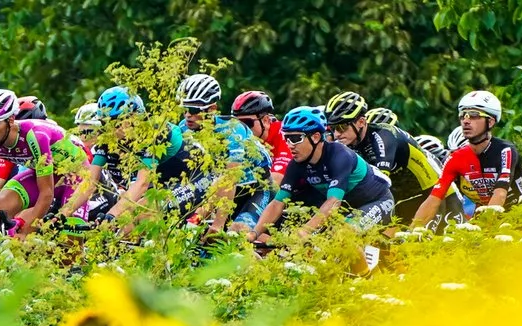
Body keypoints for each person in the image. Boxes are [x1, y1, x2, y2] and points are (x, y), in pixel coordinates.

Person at [255, 105, 393, 239]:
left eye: (296, 138)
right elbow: (277, 203)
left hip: (377, 201)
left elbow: (333, 202)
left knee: (342, 236)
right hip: (347, 207)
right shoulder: (296, 164)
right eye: (286, 138)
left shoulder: (340, 155)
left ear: (315, 137)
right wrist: (254, 233)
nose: (289, 144)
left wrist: (305, 231)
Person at [0, 87, 92, 235]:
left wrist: (30, 226)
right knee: (1, 207)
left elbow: (46, 193)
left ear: (10, 120)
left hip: (77, 175)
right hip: (49, 174)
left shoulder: (35, 136)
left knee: (70, 247)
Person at [92, 85, 201, 221]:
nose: (110, 129)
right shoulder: (110, 137)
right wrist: (62, 214)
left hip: (195, 179)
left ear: (134, 117)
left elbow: (142, 183)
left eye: (116, 123)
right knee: (125, 216)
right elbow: (90, 181)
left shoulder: (153, 132)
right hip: (163, 183)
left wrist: (111, 215)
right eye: (104, 123)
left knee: (136, 214)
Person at [410, 90, 518, 225]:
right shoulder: (456, 158)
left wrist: (485, 228)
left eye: (473, 115)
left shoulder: (505, 150)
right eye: (463, 116)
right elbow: (433, 200)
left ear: (490, 122)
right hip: (490, 215)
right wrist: (411, 232)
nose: (466, 121)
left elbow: (500, 194)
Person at [183, 73, 274, 232]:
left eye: (193, 109)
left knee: (236, 232)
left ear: (212, 109)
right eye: (184, 109)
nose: (187, 115)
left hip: (256, 188)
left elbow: (230, 177)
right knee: (191, 230)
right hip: (220, 191)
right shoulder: (183, 130)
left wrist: (218, 224)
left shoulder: (231, 128)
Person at [326, 90, 436, 221]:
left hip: (430, 195)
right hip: (400, 198)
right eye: (333, 128)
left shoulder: (383, 136)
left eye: (342, 127)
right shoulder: (349, 143)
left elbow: (380, 186)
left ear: (361, 122)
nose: (337, 134)